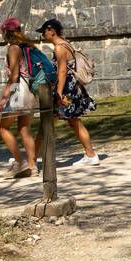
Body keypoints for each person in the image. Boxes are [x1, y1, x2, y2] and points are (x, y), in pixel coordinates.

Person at [37, 17, 100, 167]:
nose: (42, 36)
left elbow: (63, 71)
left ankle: (32, 158)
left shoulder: (59, 47)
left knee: (62, 121)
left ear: (51, 31)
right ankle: (33, 157)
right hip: (71, 87)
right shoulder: (66, 44)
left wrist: (59, 93)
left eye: (44, 32)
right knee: (70, 121)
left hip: (66, 89)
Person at [0, 17, 46, 177]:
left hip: (19, 92)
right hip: (31, 92)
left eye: (3, 32)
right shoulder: (28, 46)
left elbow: (14, 76)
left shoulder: (13, 48)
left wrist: (4, 97)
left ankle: (20, 162)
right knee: (24, 128)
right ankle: (32, 166)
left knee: (2, 128)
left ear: (7, 32)